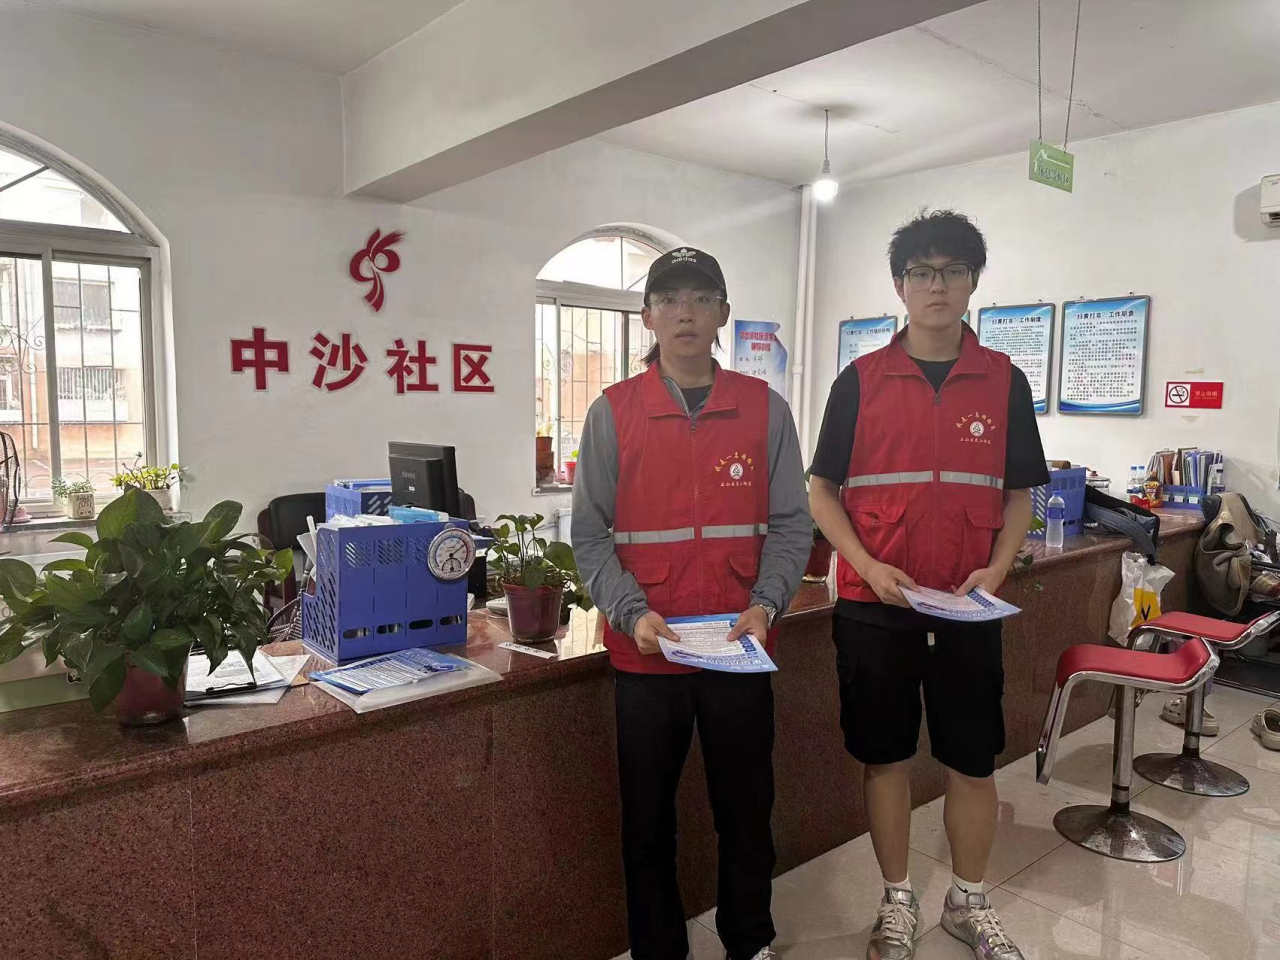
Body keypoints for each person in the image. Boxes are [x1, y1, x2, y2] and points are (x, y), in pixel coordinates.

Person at [809, 211, 1048, 960]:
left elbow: (1019, 495)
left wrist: (998, 569)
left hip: (968, 606)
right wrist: (866, 565)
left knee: (972, 760)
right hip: (875, 605)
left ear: (973, 282)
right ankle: (897, 900)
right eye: (921, 272)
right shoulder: (860, 381)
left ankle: (968, 902)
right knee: (885, 757)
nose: (936, 285)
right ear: (899, 285)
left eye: (951, 271)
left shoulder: (1004, 381)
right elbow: (822, 491)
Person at [572, 247, 810, 960]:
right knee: (647, 822)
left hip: (739, 648)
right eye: (670, 299)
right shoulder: (614, 413)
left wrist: (767, 605)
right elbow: (588, 534)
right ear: (648, 316)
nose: (685, 312)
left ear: (723, 315)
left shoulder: (764, 410)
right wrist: (630, 612)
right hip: (648, 654)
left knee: (747, 811)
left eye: (701, 299)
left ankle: (750, 941)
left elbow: (792, 523)